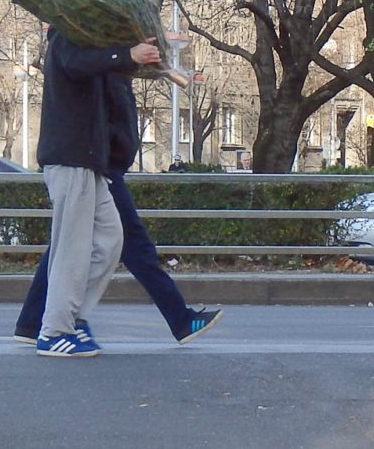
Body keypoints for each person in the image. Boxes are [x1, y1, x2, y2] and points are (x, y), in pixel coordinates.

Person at [15, 58, 223, 347]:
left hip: (98, 163)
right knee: (128, 245)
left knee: (77, 243)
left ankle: (33, 323)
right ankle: (178, 319)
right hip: (98, 163)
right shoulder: (94, 60)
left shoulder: (105, 63)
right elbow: (101, 110)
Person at [29, 26, 161, 358]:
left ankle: (74, 319)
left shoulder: (87, 43)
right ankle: (54, 331)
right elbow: (78, 64)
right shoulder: (66, 35)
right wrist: (128, 54)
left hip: (89, 161)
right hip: (70, 158)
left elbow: (100, 69)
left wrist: (131, 54)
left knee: (110, 239)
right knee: (72, 249)